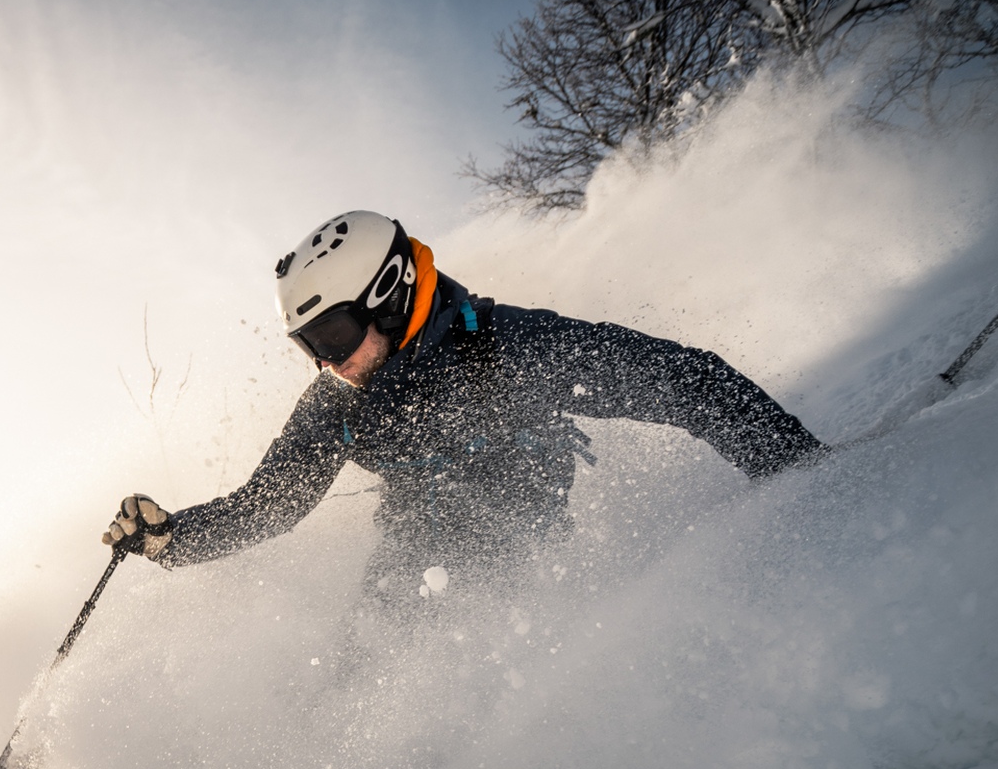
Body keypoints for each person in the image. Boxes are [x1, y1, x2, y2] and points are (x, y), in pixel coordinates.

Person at [104, 211, 824, 599]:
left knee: (488, 604)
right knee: (369, 668)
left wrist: (806, 473)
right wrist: (175, 540)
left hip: (523, 536)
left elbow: (684, 381)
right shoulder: (338, 403)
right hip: (415, 547)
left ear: (388, 295)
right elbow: (272, 503)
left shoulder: (505, 348)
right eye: (308, 345)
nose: (327, 362)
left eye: (335, 334)